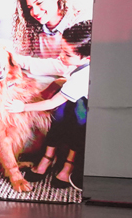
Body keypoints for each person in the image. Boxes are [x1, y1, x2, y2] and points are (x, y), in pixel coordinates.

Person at [7, 20, 91, 191]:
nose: (61, 56)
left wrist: (23, 107)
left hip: (87, 111)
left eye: (67, 54)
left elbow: (52, 102)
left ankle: (68, 164)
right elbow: (55, 71)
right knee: (59, 113)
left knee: (79, 118)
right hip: (76, 99)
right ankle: (48, 156)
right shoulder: (75, 64)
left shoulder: (81, 77)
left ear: (87, 58)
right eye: (61, 50)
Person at [0, 0, 86, 83]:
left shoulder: (78, 24)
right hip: (44, 81)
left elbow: (65, 66)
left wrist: (17, 59)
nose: (35, 12)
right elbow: (22, 53)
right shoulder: (34, 28)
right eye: (30, 8)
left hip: (71, 83)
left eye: (39, 3)